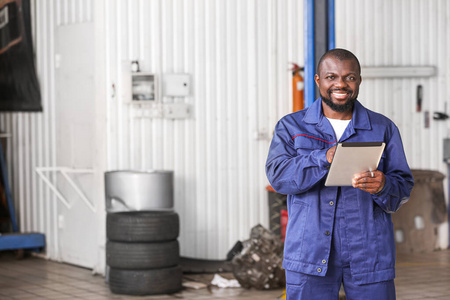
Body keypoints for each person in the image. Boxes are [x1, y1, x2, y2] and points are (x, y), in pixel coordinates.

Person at [265, 48, 414, 300]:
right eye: (331, 77)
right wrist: (323, 157)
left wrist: (383, 185)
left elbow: (402, 190)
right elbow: (278, 177)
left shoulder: (382, 128)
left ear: (359, 80)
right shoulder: (291, 127)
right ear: (318, 80)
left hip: (369, 252)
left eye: (350, 77)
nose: (341, 84)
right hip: (308, 251)